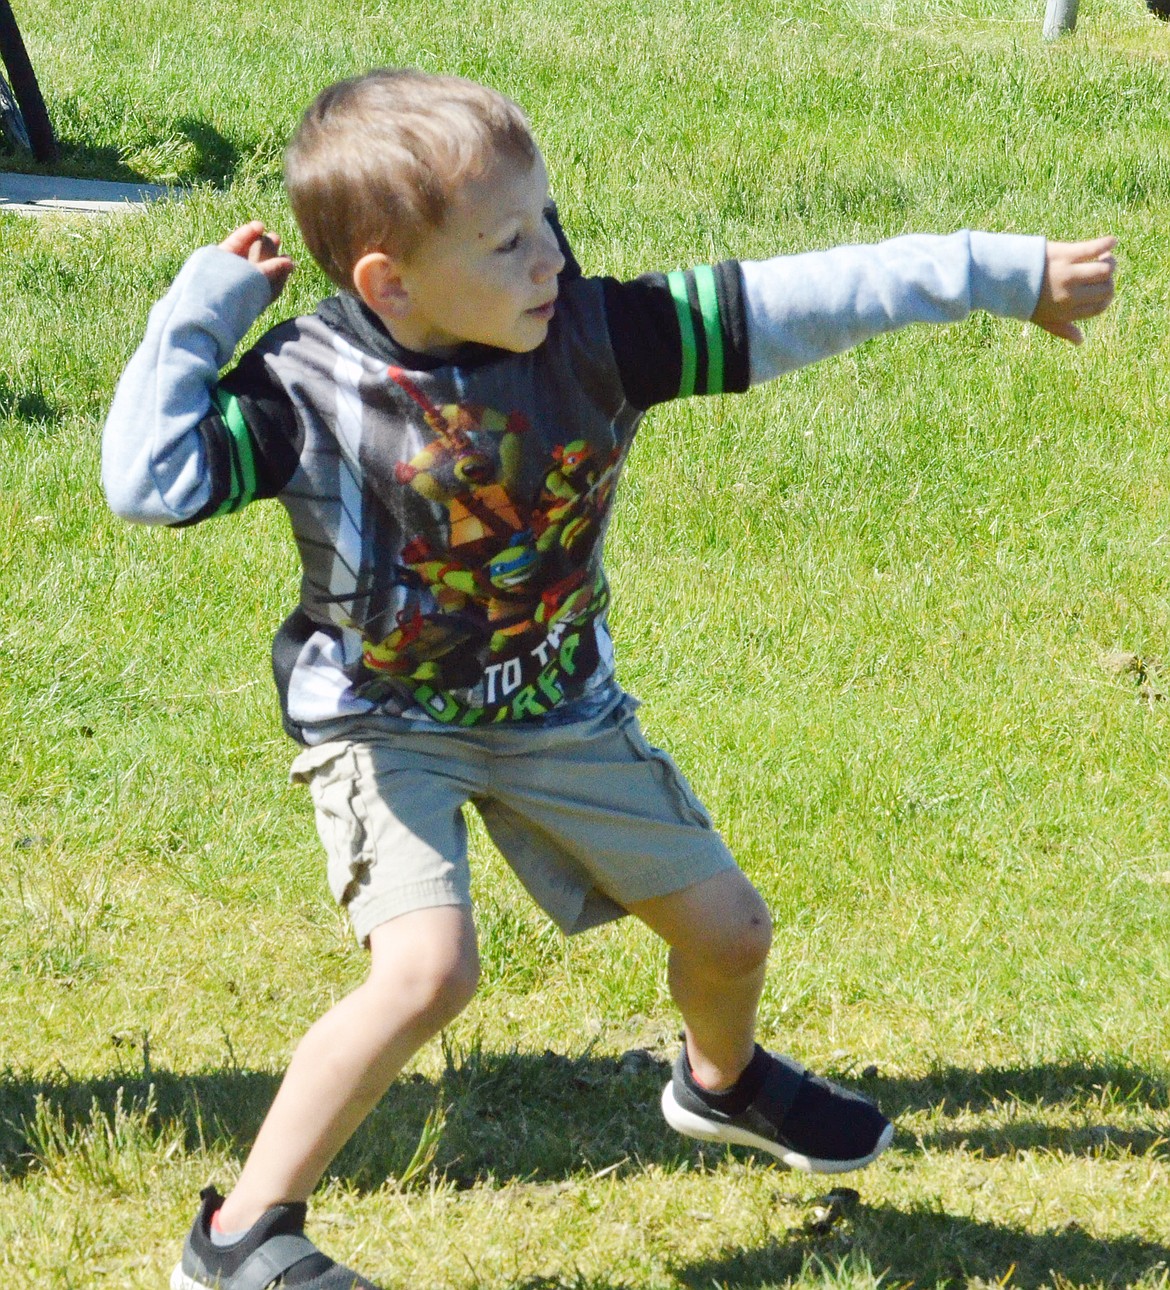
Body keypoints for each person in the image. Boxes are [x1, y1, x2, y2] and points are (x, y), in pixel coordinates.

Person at [102, 67, 1116, 1290]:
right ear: (389, 281)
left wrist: (999, 273)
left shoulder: (603, 333)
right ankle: (240, 1239)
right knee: (429, 970)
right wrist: (205, 313)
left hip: (557, 713)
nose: (550, 261)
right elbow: (148, 483)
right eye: (508, 242)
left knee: (734, 934)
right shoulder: (305, 390)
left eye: (548, 222)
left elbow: (816, 290)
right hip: (386, 725)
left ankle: (723, 1084)